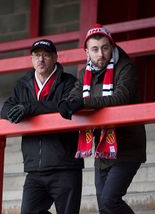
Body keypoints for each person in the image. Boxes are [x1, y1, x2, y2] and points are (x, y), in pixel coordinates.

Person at [58, 24, 146, 214]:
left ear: (112, 47)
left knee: (110, 201)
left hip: (128, 146)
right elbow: (75, 94)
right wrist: (66, 104)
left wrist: (84, 103)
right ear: (87, 52)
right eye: (95, 49)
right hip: (102, 149)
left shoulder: (126, 68)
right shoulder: (85, 74)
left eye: (105, 48)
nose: (101, 54)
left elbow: (120, 98)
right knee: (104, 209)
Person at [1, 39, 84, 214]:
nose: (41, 59)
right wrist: (13, 112)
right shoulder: (23, 84)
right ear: (31, 59)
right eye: (37, 55)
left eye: (46, 55)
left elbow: (63, 105)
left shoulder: (69, 82)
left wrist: (28, 108)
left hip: (65, 166)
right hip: (35, 169)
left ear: (55, 58)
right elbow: (6, 108)